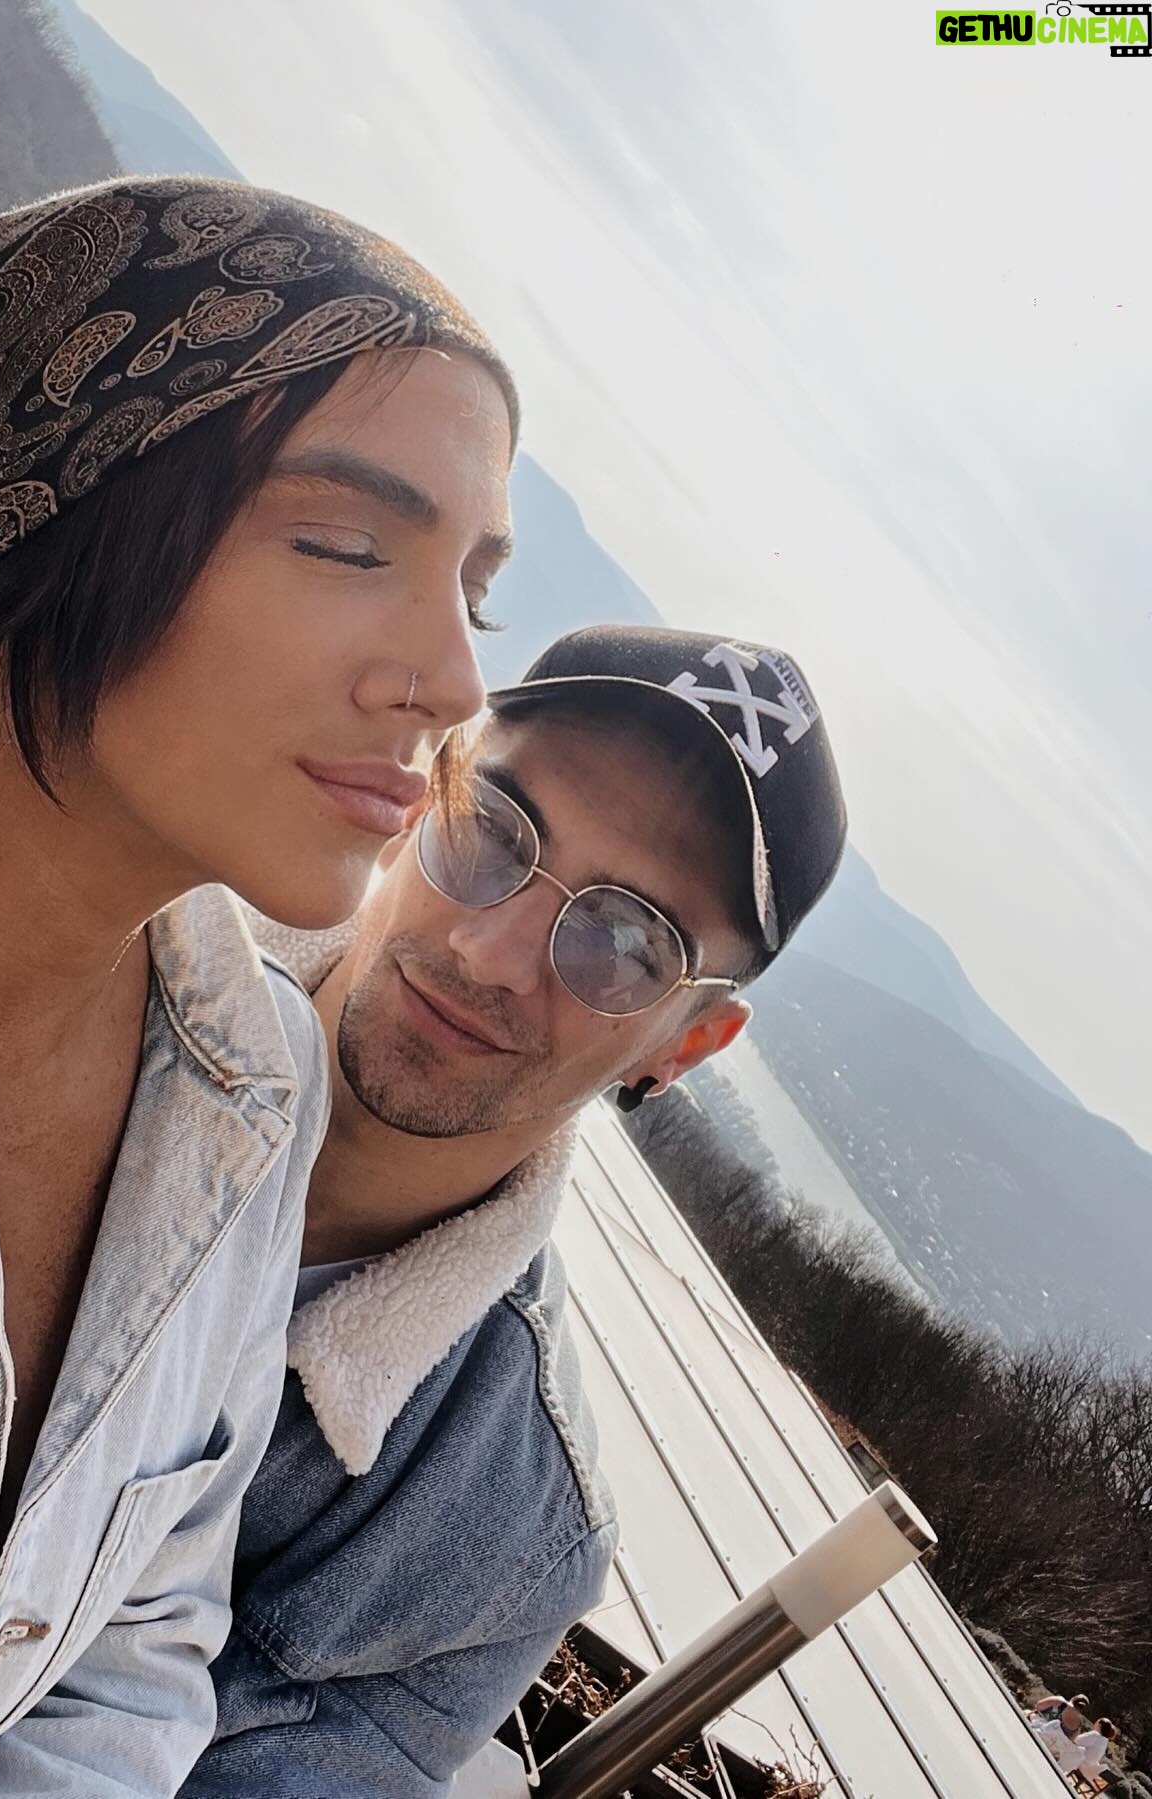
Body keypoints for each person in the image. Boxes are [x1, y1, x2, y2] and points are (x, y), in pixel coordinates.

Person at [0, 176, 515, 1796]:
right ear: (44, 519)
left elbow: (126, 1664)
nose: (453, 680)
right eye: (349, 543)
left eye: (475, 589)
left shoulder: (254, 1097)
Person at [180, 624, 849, 1796]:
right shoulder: (84, 948)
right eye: (492, 830)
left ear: (689, 1042)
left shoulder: (495, 1535)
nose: (491, 952)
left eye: (626, 941)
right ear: (424, 789)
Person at [1072, 1719, 1118, 1791]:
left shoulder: (1095, 1735)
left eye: (1096, 1722)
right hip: (1090, 1771)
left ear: (1099, 1725)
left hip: (1080, 1766)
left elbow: (1076, 1740)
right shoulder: (1105, 1742)